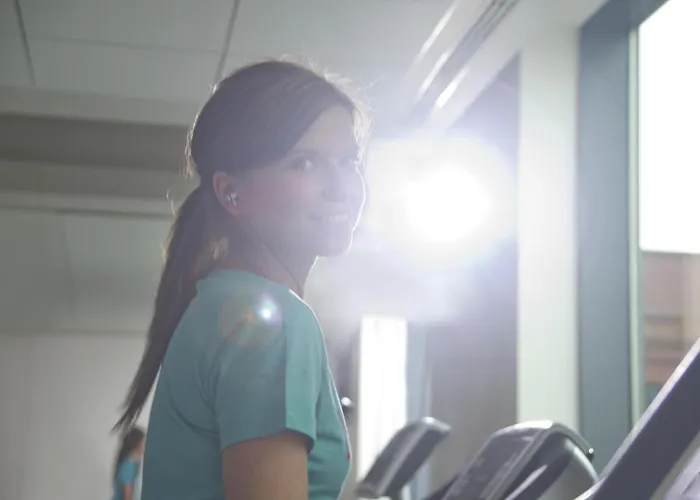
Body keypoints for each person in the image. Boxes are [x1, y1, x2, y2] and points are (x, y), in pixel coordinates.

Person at [114, 60, 369, 500]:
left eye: (348, 161)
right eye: (304, 163)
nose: (340, 186)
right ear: (231, 192)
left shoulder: (218, 300)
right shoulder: (270, 320)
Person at [112, 427, 145, 500]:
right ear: (137, 444)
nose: (145, 445)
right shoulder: (128, 466)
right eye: (143, 442)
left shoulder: (137, 463)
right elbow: (127, 497)